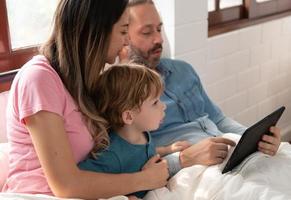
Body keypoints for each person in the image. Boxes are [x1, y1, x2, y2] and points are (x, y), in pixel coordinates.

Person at [2, 0, 169, 199]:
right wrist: (145, 179)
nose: (126, 42)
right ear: (96, 30)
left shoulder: (86, 81)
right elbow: (66, 187)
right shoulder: (39, 79)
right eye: (123, 31)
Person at [120, 0, 281, 176]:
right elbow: (131, 164)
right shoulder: (120, 96)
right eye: (147, 32)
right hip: (195, 173)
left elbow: (218, 119)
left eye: (159, 29)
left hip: (230, 155)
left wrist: (255, 139)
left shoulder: (183, 69)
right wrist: (184, 158)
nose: (159, 39)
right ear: (123, 38)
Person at [78, 63, 191, 198]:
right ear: (129, 116)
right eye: (155, 103)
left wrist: (168, 149)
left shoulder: (142, 133)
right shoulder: (112, 155)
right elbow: (83, 184)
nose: (164, 106)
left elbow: (143, 154)